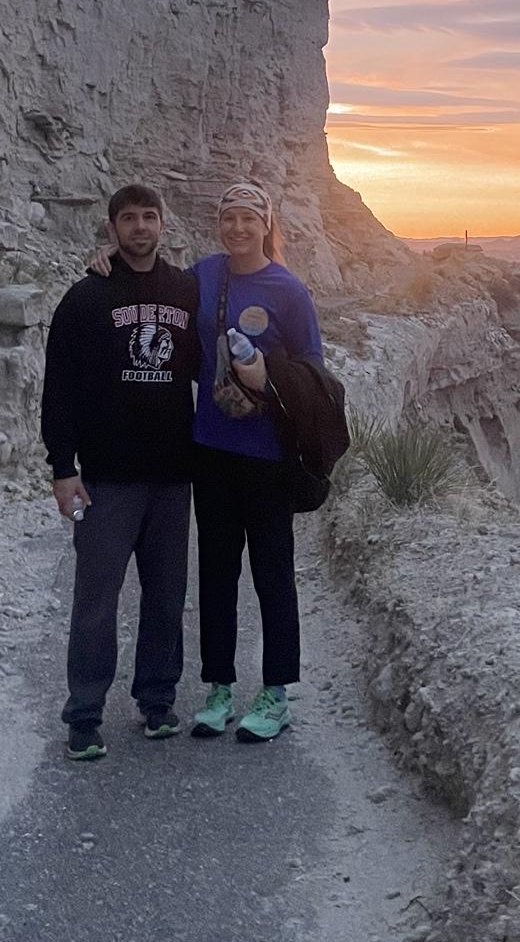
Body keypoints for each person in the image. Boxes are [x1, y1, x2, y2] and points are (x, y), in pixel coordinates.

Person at [90, 181, 323, 742]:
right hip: (212, 449)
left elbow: (315, 370)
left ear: (266, 224)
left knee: (272, 575)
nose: (238, 229)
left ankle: (275, 693)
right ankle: (219, 687)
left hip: (268, 454)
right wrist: (108, 261)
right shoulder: (205, 276)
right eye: (229, 219)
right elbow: (154, 291)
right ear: (219, 225)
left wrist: (267, 376)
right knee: (216, 574)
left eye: (249, 218)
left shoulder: (288, 290)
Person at [41, 184, 200, 759]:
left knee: (165, 597)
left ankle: (156, 702)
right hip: (103, 480)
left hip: (171, 479)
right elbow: (58, 390)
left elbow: (207, 368)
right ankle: (84, 715)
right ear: (111, 228)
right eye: (128, 218)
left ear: (163, 224)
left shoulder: (186, 291)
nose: (139, 227)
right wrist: (63, 470)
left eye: (149, 217)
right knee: (95, 599)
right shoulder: (86, 297)